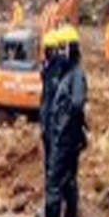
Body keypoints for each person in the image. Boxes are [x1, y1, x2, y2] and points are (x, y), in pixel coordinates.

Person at [34, 25, 88, 217]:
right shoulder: (66, 73)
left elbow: (75, 106)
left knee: (55, 187)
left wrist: (66, 130)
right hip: (59, 136)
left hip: (63, 139)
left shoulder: (75, 75)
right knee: (66, 184)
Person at [39, 29, 63, 182]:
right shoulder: (48, 69)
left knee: (55, 165)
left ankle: (54, 201)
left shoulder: (59, 71)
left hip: (54, 125)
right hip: (48, 123)